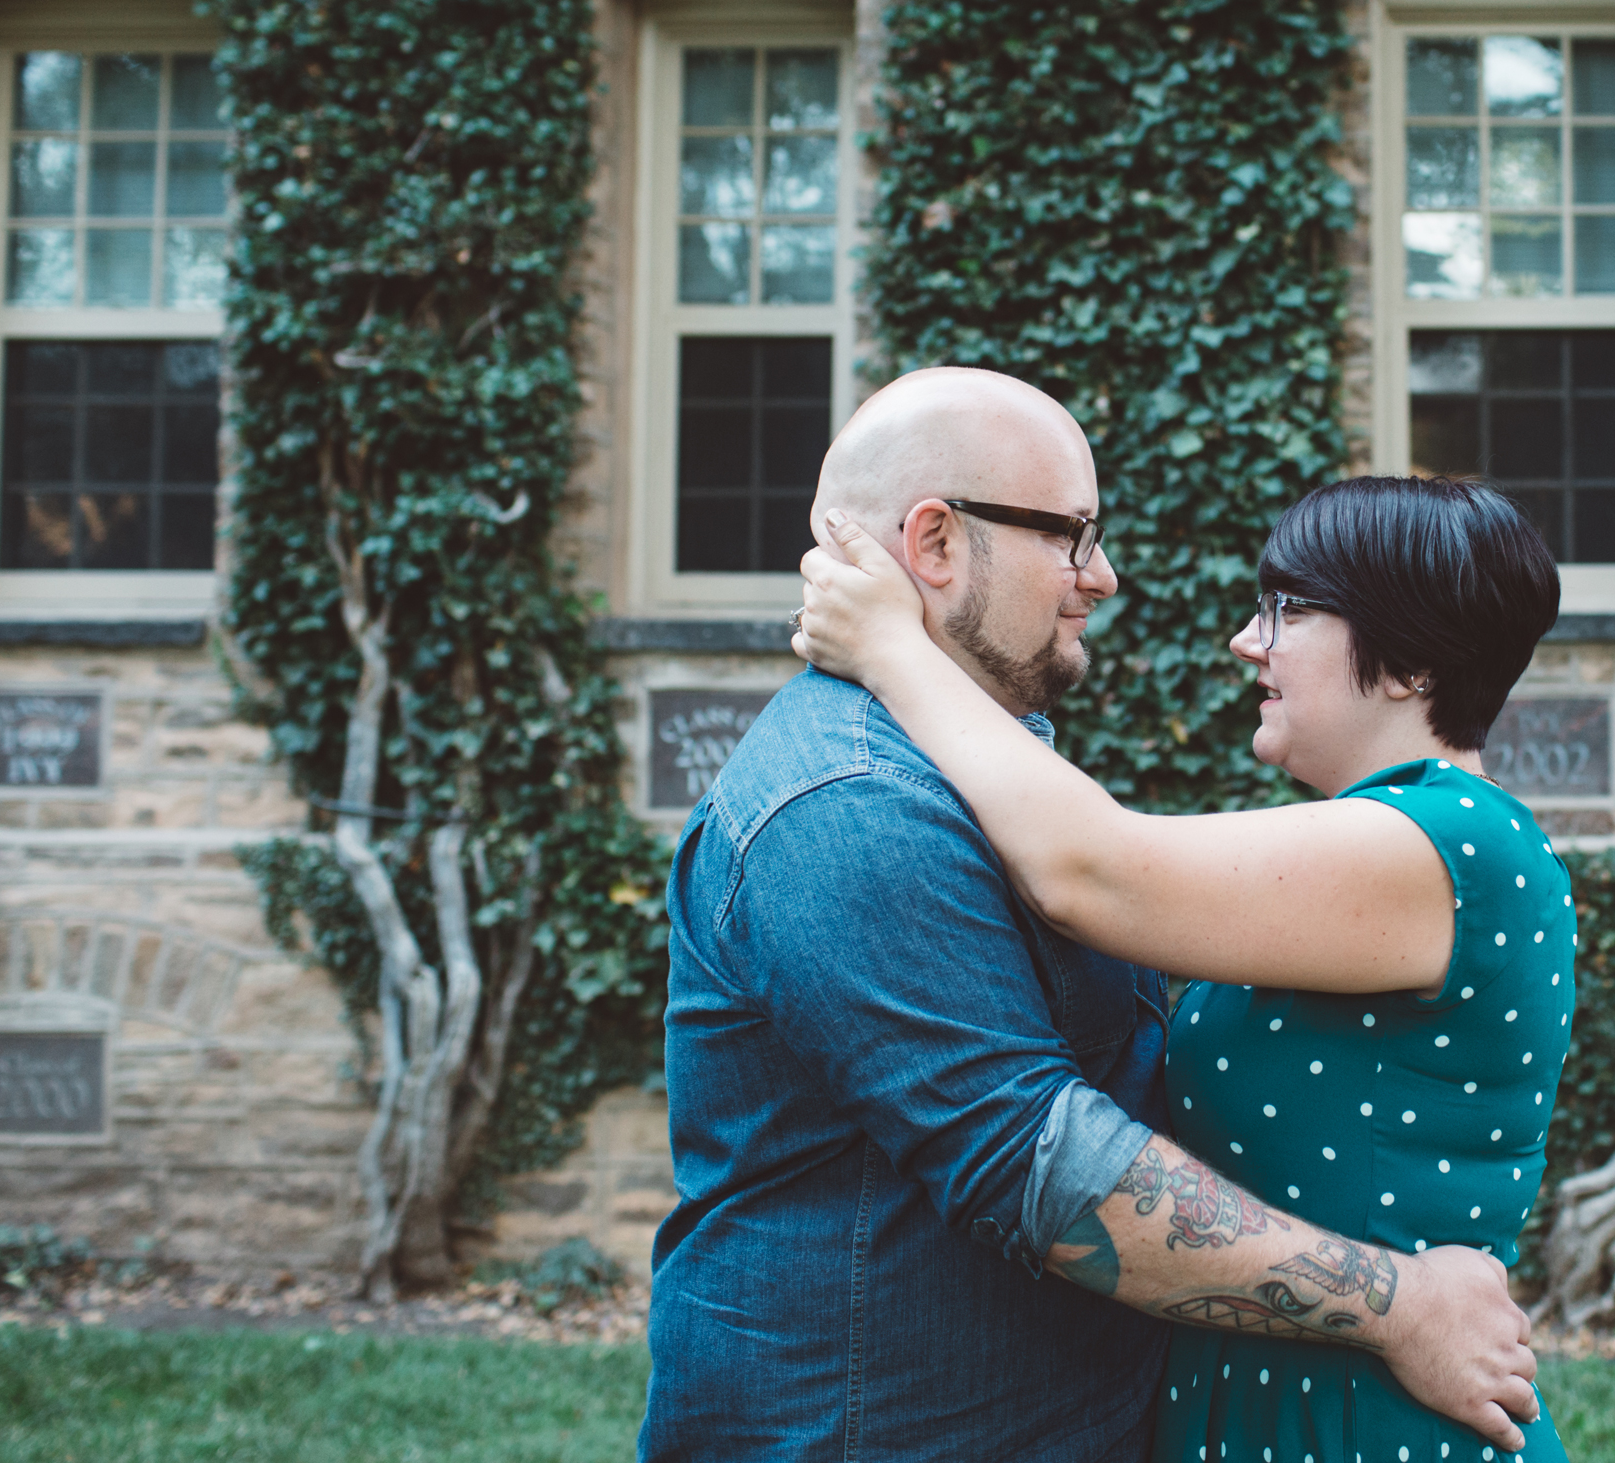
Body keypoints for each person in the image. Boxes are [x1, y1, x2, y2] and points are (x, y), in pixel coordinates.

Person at [640, 366, 1540, 1462]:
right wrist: (1402, 1303)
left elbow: (1103, 866)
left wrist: (895, 652)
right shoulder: (852, 807)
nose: (1101, 576)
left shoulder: (1429, 841)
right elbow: (1034, 1153)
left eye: (1287, 610)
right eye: (1071, 534)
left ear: (1410, 659)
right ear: (932, 545)